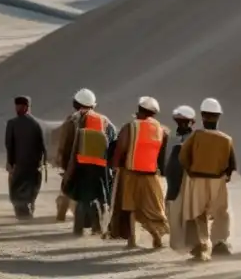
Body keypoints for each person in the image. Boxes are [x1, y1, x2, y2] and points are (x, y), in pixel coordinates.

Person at [108, 97, 169, 249]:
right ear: (154, 113)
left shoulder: (130, 127)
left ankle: (132, 240)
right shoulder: (162, 130)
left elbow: (120, 149)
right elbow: (162, 154)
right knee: (152, 209)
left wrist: (114, 166)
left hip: (130, 173)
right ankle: (157, 235)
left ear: (139, 109)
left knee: (130, 207)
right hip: (151, 175)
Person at [179, 98, 235, 261]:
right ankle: (220, 243)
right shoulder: (227, 139)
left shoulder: (196, 136)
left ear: (202, 116)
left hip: (197, 179)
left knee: (198, 213)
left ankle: (202, 246)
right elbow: (232, 164)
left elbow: (183, 156)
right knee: (221, 213)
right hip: (218, 181)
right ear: (219, 117)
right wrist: (226, 176)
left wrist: (190, 170)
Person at [62, 89, 116, 237]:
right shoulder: (105, 121)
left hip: (81, 164)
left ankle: (79, 229)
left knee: (82, 197)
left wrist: (67, 166)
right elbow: (113, 141)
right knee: (97, 196)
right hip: (101, 166)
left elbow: (68, 144)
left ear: (77, 104)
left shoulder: (75, 119)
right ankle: (96, 228)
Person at [5, 96, 47, 219]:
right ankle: (28, 207)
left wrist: (10, 163)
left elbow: (9, 145)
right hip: (33, 165)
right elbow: (42, 146)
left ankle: (21, 210)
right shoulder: (36, 123)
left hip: (18, 164)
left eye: (18, 106)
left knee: (16, 187)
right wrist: (42, 162)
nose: (17, 108)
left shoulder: (12, 123)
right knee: (31, 187)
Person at [165, 105, 198, 252]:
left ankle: (191, 245)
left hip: (187, 182)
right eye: (179, 121)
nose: (181, 125)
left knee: (185, 214)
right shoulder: (171, 138)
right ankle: (183, 245)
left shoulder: (196, 139)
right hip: (174, 183)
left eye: (184, 122)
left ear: (192, 122)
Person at [53, 99, 83, 222]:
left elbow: (63, 142)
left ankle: (62, 213)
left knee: (66, 187)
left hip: (70, 161)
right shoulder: (95, 120)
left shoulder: (70, 120)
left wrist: (60, 159)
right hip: (87, 161)